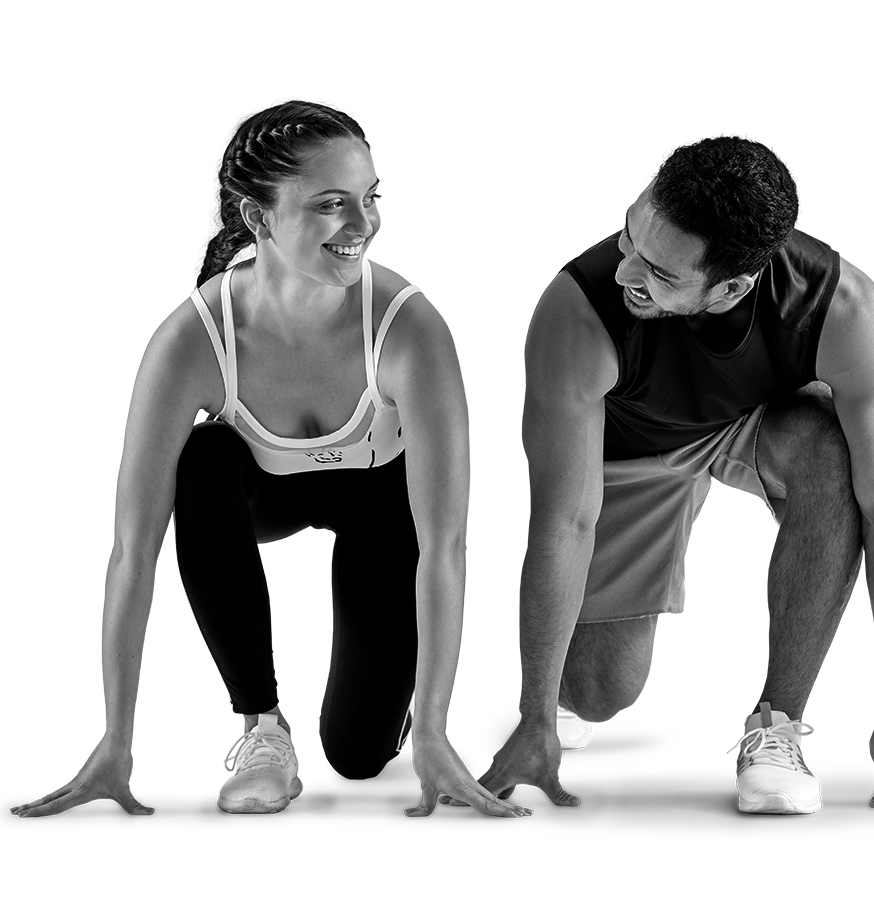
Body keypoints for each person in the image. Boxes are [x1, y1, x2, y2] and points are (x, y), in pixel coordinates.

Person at [12, 101, 529, 819]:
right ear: (258, 218)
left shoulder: (408, 327)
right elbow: (134, 550)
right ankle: (260, 727)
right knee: (203, 460)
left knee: (358, 761)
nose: (364, 226)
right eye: (330, 205)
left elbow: (444, 545)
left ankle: (396, 723)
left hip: (379, 502)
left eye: (368, 197)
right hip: (256, 490)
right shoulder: (192, 340)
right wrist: (114, 742)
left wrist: (437, 728)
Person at [476, 137, 874, 814]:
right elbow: (564, 519)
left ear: (731, 287)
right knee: (596, 693)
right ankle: (560, 701)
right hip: (632, 446)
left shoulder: (840, 312)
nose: (626, 267)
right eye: (629, 231)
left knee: (833, 453)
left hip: (757, 420)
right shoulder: (580, 312)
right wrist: (537, 713)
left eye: (660, 272)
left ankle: (776, 732)